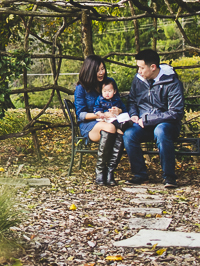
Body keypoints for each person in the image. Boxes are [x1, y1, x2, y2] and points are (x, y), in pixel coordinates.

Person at [123, 48, 185, 189]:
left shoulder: (171, 81)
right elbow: (132, 100)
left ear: (153, 67)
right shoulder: (139, 80)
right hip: (143, 124)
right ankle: (140, 174)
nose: (139, 71)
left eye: (141, 68)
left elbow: (175, 112)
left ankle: (169, 177)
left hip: (167, 125)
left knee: (160, 131)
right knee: (129, 134)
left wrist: (148, 119)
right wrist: (133, 114)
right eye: (138, 67)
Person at [73, 55, 125, 186]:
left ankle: (110, 172)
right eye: (98, 70)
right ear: (90, 70)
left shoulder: (109, 83)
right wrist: (100, 115)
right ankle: (100, 171)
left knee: (120, 131)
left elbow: (121, 105)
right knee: (111, 128)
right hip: (89, 125)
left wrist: (117, 111)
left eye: (103, 69)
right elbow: (81, 115)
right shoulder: (81, 88)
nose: (102, 72)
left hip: (110, 121)